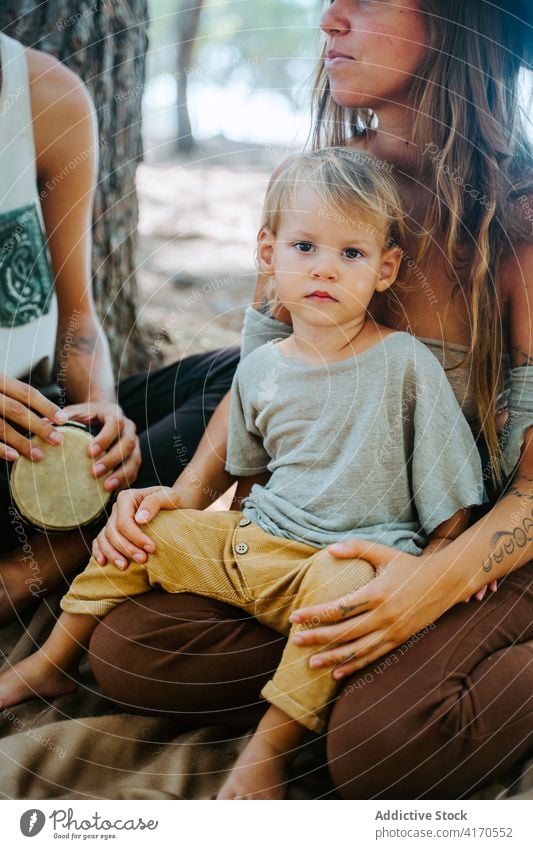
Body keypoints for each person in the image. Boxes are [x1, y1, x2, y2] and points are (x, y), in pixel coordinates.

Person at [88, 1, 533, 799]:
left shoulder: (518, 219)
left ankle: (387, 684)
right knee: (128, 649)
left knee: (382, 751)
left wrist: (425, 588)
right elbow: (261, 371)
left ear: (460, 23)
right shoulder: (322, 185)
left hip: (489, 542)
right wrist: (182, 499)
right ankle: (340, 674)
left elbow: (530, 493)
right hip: (332, 545)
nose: (329, 19)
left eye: (365, 0)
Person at [0, 149, 488, 800]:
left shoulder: (402, 363)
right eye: (305, 246)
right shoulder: (260, 369)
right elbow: (244, 482)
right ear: (269, 254)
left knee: (341, 586)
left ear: (385, 268)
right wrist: (170, 508)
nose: (323, 267)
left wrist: (441, 558)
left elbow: (447, 485)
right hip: (255, 549)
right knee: (149, 524)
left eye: (351, 253)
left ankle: (267, 749)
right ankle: (50, 663)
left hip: (341, 562)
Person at [0, 31, 239, 623]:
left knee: (250, 374)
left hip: (40, 430)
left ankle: (42, 565)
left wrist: (105, 417)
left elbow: (78, 320)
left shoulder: (46, 96)